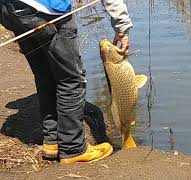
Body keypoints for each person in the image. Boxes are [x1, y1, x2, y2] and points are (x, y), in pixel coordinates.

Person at [0, 0, 133, 163]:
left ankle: (52, 141)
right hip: (48, 10)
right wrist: (122, 26)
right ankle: (73, 148)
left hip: (12, 8)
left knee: (44, 74)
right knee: (72, 79)